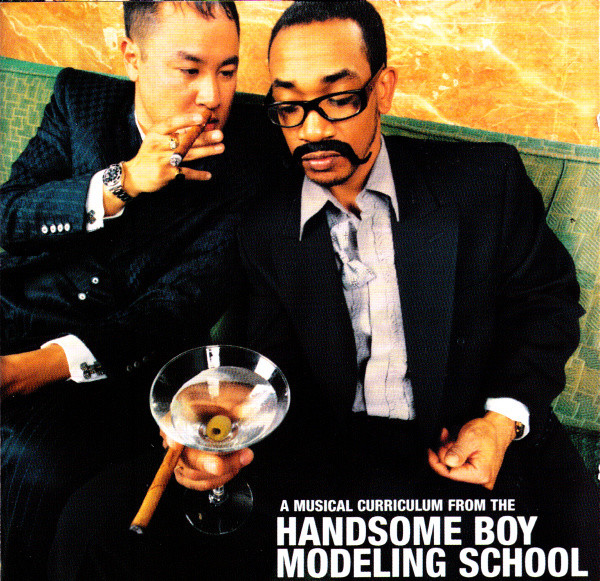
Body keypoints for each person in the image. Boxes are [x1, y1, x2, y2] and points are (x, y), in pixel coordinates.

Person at [48, 2, 598, 579]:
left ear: (382, 89)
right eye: (289, 106)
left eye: (338, 98)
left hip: (464, 449)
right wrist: (227, 435)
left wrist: (501, 420)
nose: (312, 130)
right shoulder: (265, 221)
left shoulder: (484, 180)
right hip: (328, 458)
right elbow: (269, 357)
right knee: (95, 523)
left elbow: (547, 303)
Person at [0, 2, 278, 579]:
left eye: (228, 70)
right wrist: (121, 181)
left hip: (111, 371)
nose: (212, 95)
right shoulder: (81, 99)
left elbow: (178, 306)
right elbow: (8, 216)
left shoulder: (256, 156)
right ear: (132, 57)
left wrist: (30, 369)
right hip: (11, 313)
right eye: (190, 69)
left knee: (33, 466)